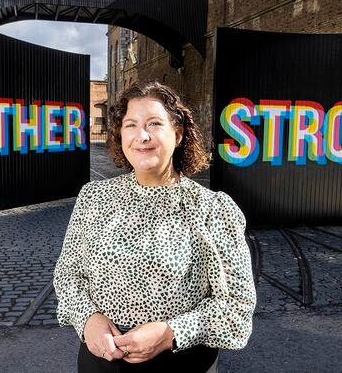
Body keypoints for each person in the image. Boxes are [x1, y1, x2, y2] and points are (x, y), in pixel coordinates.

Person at [53, 81, 257, 372]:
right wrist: (87, 318)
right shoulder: (93, 198)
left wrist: (171, 333)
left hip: (182, 363)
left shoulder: (213, 209)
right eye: (131, 125)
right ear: (120, 134)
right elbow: (67, 274)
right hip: (101, 360)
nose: (142, 136)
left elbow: (237, 307)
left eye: (154, 124)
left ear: (178, 133)